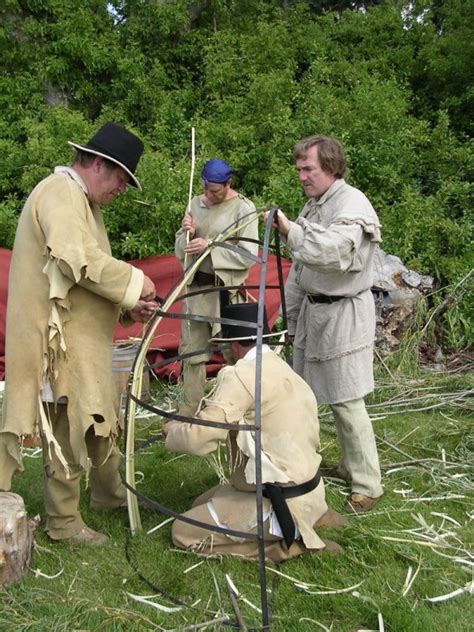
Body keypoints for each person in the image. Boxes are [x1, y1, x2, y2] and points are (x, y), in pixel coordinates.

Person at [0, 122, 157, 545]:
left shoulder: (84, 203)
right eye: (122, 178)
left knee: (98, 415)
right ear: (99, 165)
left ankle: (107, 494)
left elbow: (84, 280)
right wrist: (136, 281)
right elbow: (75, 258)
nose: (121, 189)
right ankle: (63, 521)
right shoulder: (61, 191)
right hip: (53, 344)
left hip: (76, 341)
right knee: (66, 425)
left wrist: (129, 304)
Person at [162, 303, 346, 562]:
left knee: (183, 531)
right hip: (309, 488)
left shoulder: (241, 374)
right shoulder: (282, 368)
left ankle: (289, 545)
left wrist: (174, 430)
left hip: (280, 499)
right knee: (199, 504)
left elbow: (199, 439)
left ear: (233, 344)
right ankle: (315, 516)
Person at [266, 134, 383, 513]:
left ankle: (368, 484)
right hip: (317, 315)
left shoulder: (352, 204)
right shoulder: (315, 205)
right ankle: (349, 467)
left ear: (330, 167)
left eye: (308, 169)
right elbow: (302, 268)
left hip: (344, 314)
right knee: (314, 396)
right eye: (298, 168)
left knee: (347, 400)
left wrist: (290, 231)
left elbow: (332, 254)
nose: (301, 176)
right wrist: (292, 317)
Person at [174, 159, 259, 416]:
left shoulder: (243, 208)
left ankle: (242, 409)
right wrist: (185, 234)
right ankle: (191, 410)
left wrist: (209, 246)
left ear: (228, 184)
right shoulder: (194, 204)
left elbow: (248, 254)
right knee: (192, 351)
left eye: (217, 192)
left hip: (224, 291)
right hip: (196, 289)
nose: (211, 196)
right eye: (208, 190)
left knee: (234, 350)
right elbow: (181, 248)